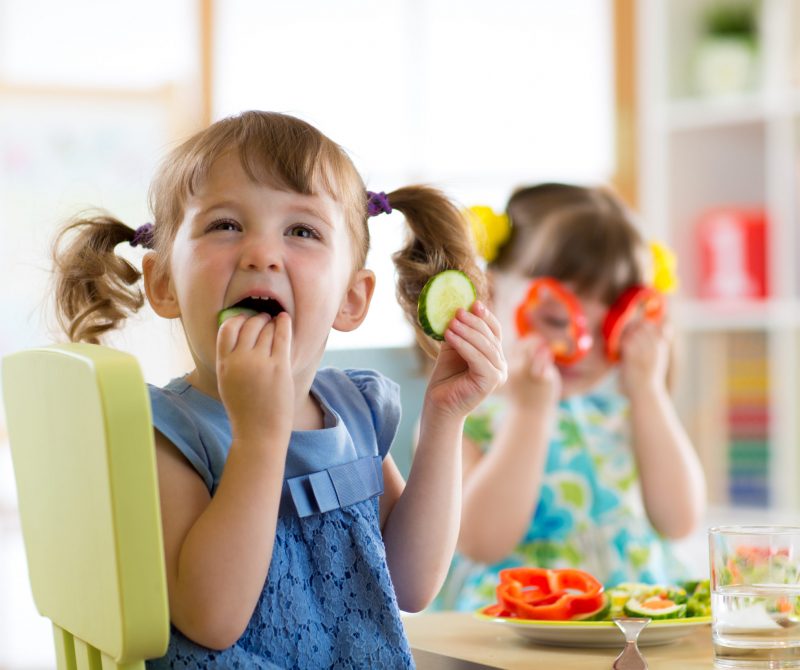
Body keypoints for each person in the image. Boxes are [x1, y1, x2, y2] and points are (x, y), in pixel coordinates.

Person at [51, 110, 507, 668]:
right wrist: (260, 437)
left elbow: (411, 584)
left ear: (351, 299)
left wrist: (443, 420)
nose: (261, 254)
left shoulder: (355, 412)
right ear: (164, 283)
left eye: (302, 231)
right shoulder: (164, 431)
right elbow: (212, 619)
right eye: (225, 225)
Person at [435, 182, 706, 611]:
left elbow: (680, 521)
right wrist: (530, 412)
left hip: (630, 622)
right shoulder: (463, 412)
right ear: (489, 292)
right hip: (520, 624)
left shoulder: (625, 410)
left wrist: (649, 393)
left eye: (611, 328)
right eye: (556, 318)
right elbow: (480, 541)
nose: (583, 347)